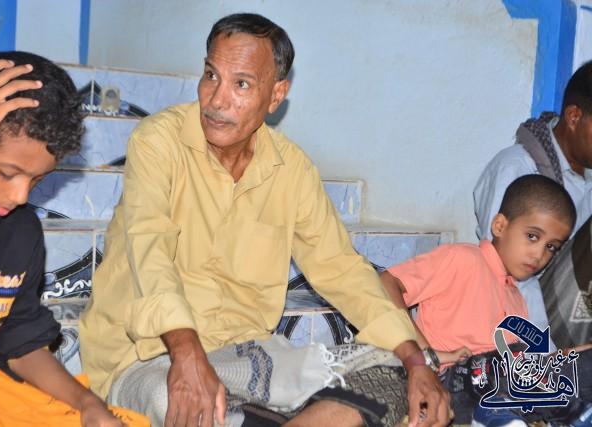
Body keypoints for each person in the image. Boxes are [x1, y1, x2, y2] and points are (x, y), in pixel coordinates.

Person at [79, 12, 450, 427]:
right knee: (175, 404)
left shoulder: (291, 169)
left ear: (276, 96)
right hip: (150, 355)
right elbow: (150, 250)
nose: (217, 100)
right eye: (211, 75)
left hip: (246, 356)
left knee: (394, 368)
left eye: (241, 84)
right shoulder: (158, 142)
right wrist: (186, 354)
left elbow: (341, 269)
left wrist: (416, 361)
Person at [0, 51, 148, 426]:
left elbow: (20, 341)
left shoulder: (19, 231)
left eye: (37, 180)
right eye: (7, 173)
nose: (20, 195)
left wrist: (88, 403)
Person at [381, 174, 575, 423]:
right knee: (514, 364)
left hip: (488, 389)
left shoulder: (516, 298)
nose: (539, 255)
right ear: (500, 226)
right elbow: (387, 283)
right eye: (532, 236)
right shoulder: (463, 259)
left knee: (569, 372)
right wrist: (424, 355)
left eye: (551, 247)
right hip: (443, 381)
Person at [473, 61, 592, 350]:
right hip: (527, 320)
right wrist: (545, 352)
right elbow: (508, 278)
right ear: (574, 116)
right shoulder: (517, 168)